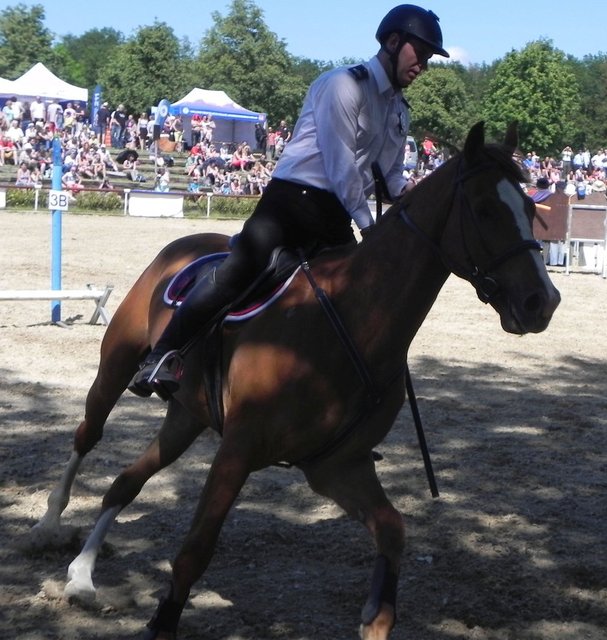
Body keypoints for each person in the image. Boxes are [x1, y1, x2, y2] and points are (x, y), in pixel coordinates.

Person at [129, 4, 448, 398]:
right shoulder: (344, 86)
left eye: (429, 57)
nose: (424, 65)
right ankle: (163, 354)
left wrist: (416, 198)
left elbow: (389, 175)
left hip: (335, 215)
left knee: (355, 303)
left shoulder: (398, 109)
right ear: (394, 42)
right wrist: (370, 227)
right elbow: (341, 166)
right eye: (421, 53)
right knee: (239, 269)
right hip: (290, 204)